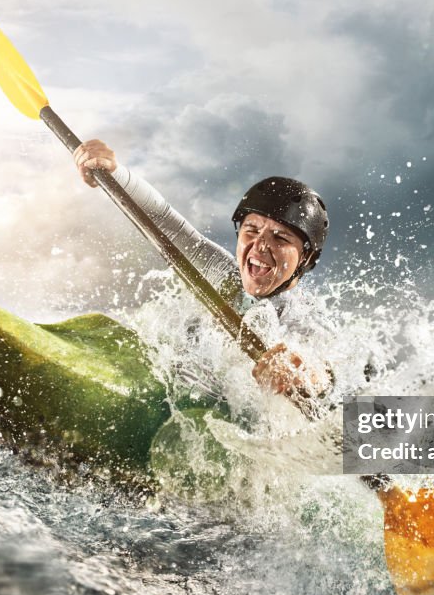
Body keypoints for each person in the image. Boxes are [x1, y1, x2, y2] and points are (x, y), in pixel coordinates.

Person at [72, 139, 333, 403]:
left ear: (306, 256)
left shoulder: (303, 317)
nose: (260, 245)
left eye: (281, 238)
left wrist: (302, 375)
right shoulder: (221, 271)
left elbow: (324, 371)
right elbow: (162, 218)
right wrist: (115, 173)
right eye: (251, 231)